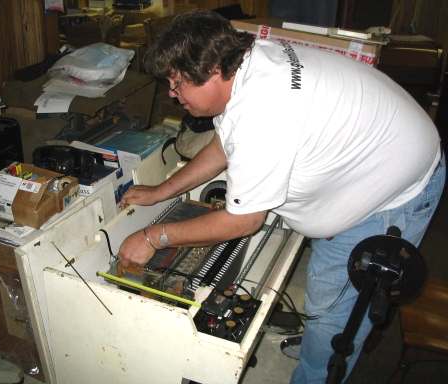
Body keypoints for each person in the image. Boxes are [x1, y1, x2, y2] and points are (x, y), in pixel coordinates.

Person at [118, 10, 445, 383]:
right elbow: (226, 144)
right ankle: (318, 345)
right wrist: (163, 191)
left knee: (330, 308)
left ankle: (318, 366)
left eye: (177, 84)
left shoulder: (264, 112)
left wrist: (151, 237)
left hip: (397, 190)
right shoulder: (246, 63)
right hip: (386, 147)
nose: (173, 97)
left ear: (211, 71)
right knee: (326, 299)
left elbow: (245, 219)